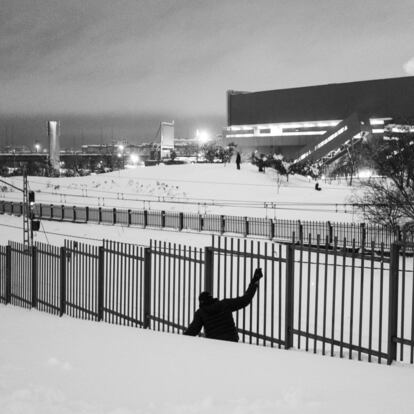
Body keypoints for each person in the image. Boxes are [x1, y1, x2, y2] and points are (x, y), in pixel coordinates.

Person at [183, 268, 263, 342]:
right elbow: (245, 300)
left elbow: (193, 331)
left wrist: (180, 339)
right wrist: (255, 281)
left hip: (214, 344)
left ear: (201, 303)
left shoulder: (201, 313)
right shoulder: (225, 304)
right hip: (232, 341)